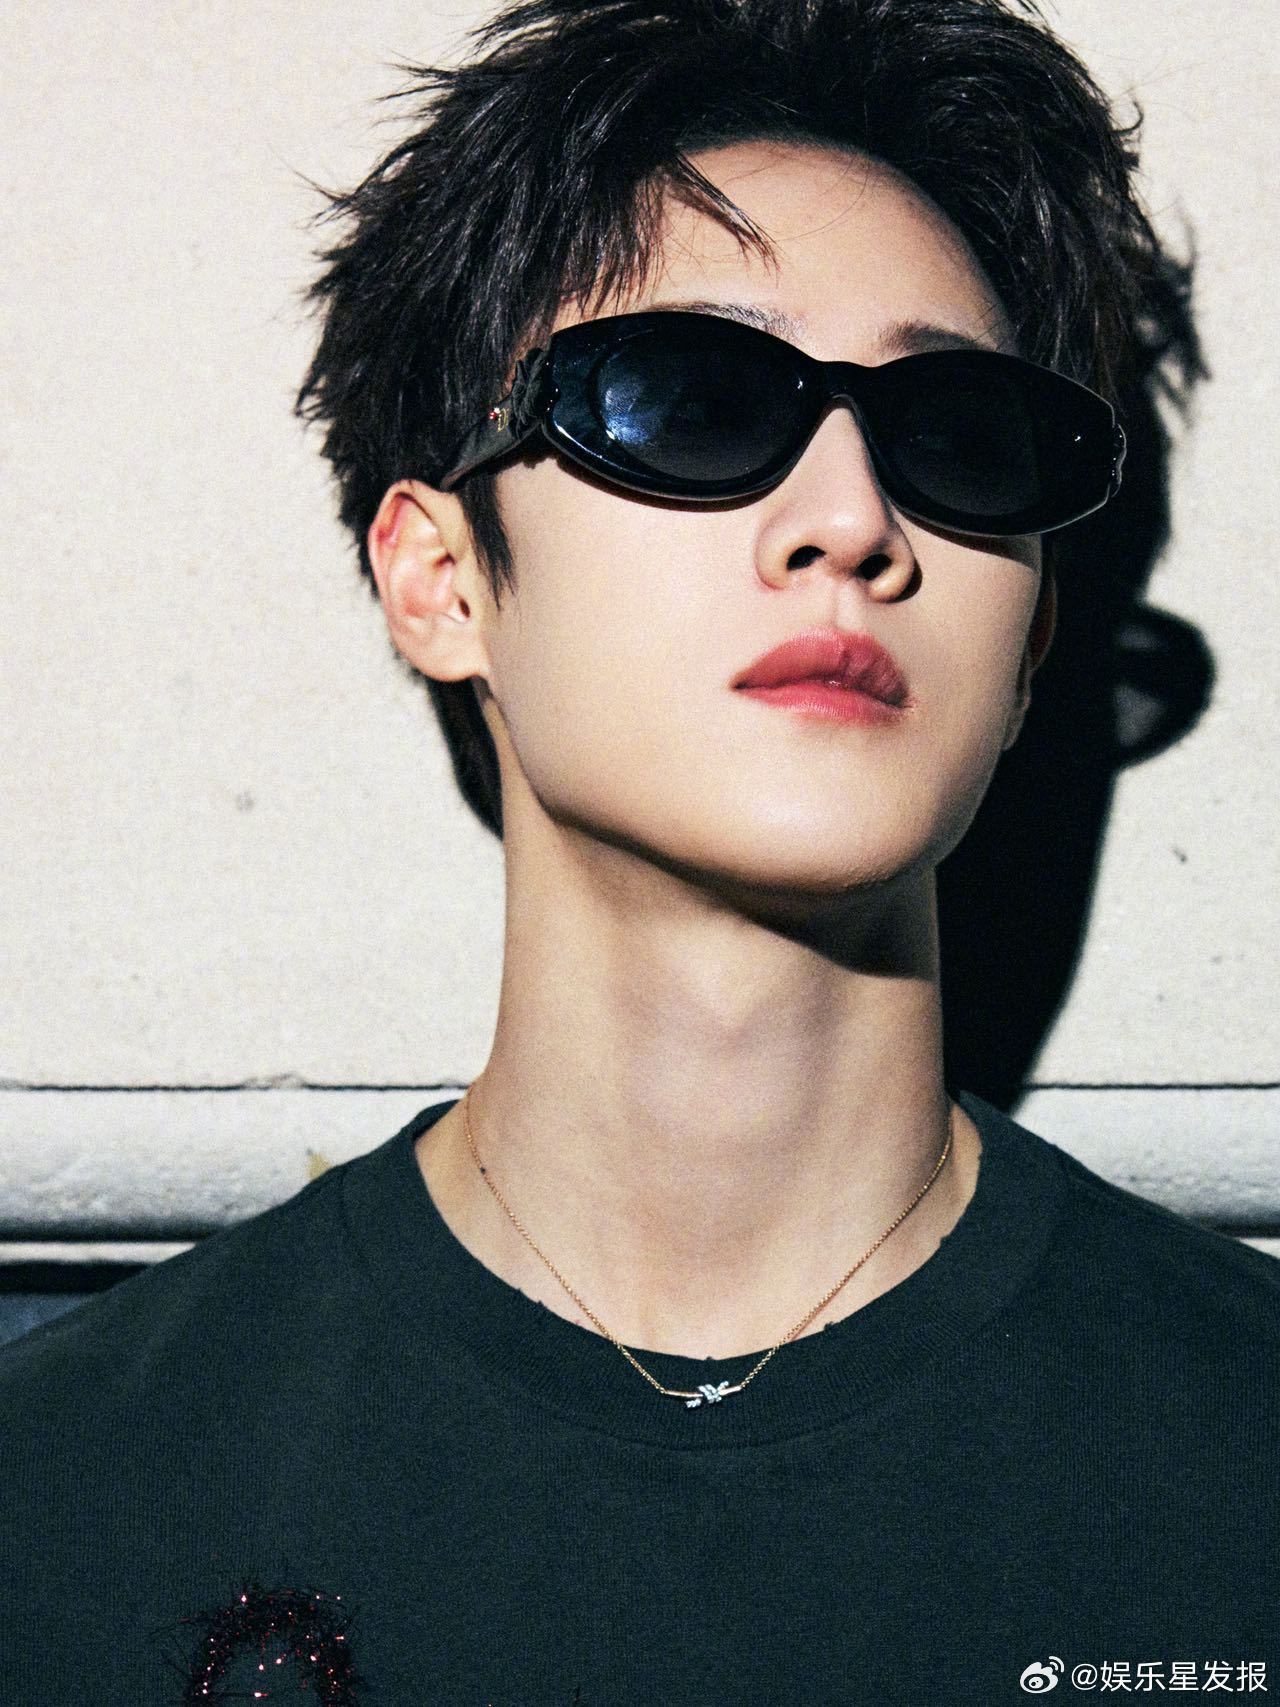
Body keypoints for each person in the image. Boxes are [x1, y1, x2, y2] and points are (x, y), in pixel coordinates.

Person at [2, 0, 1276, 1700]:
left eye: (960, 437)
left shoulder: (1242, 1456)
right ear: (441, 579)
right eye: (690, 401)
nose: (852, 523)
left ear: (1034, 642)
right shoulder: (65, 1494)